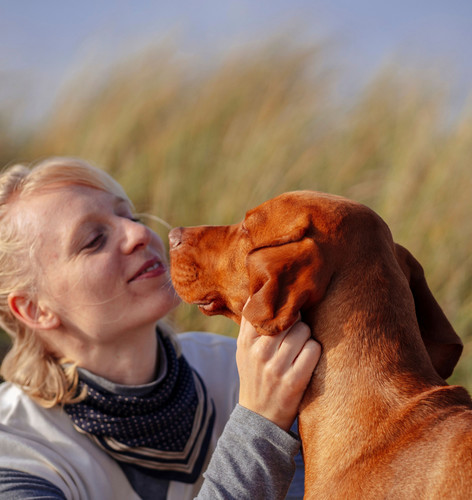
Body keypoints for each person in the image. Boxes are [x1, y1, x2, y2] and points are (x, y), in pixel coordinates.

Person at [0, 157, 321, 499]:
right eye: (94, 240)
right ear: (35, 310)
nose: (140, 234)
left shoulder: (242, 371)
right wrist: (261, 425)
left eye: (129, 216)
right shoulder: (16, 449)